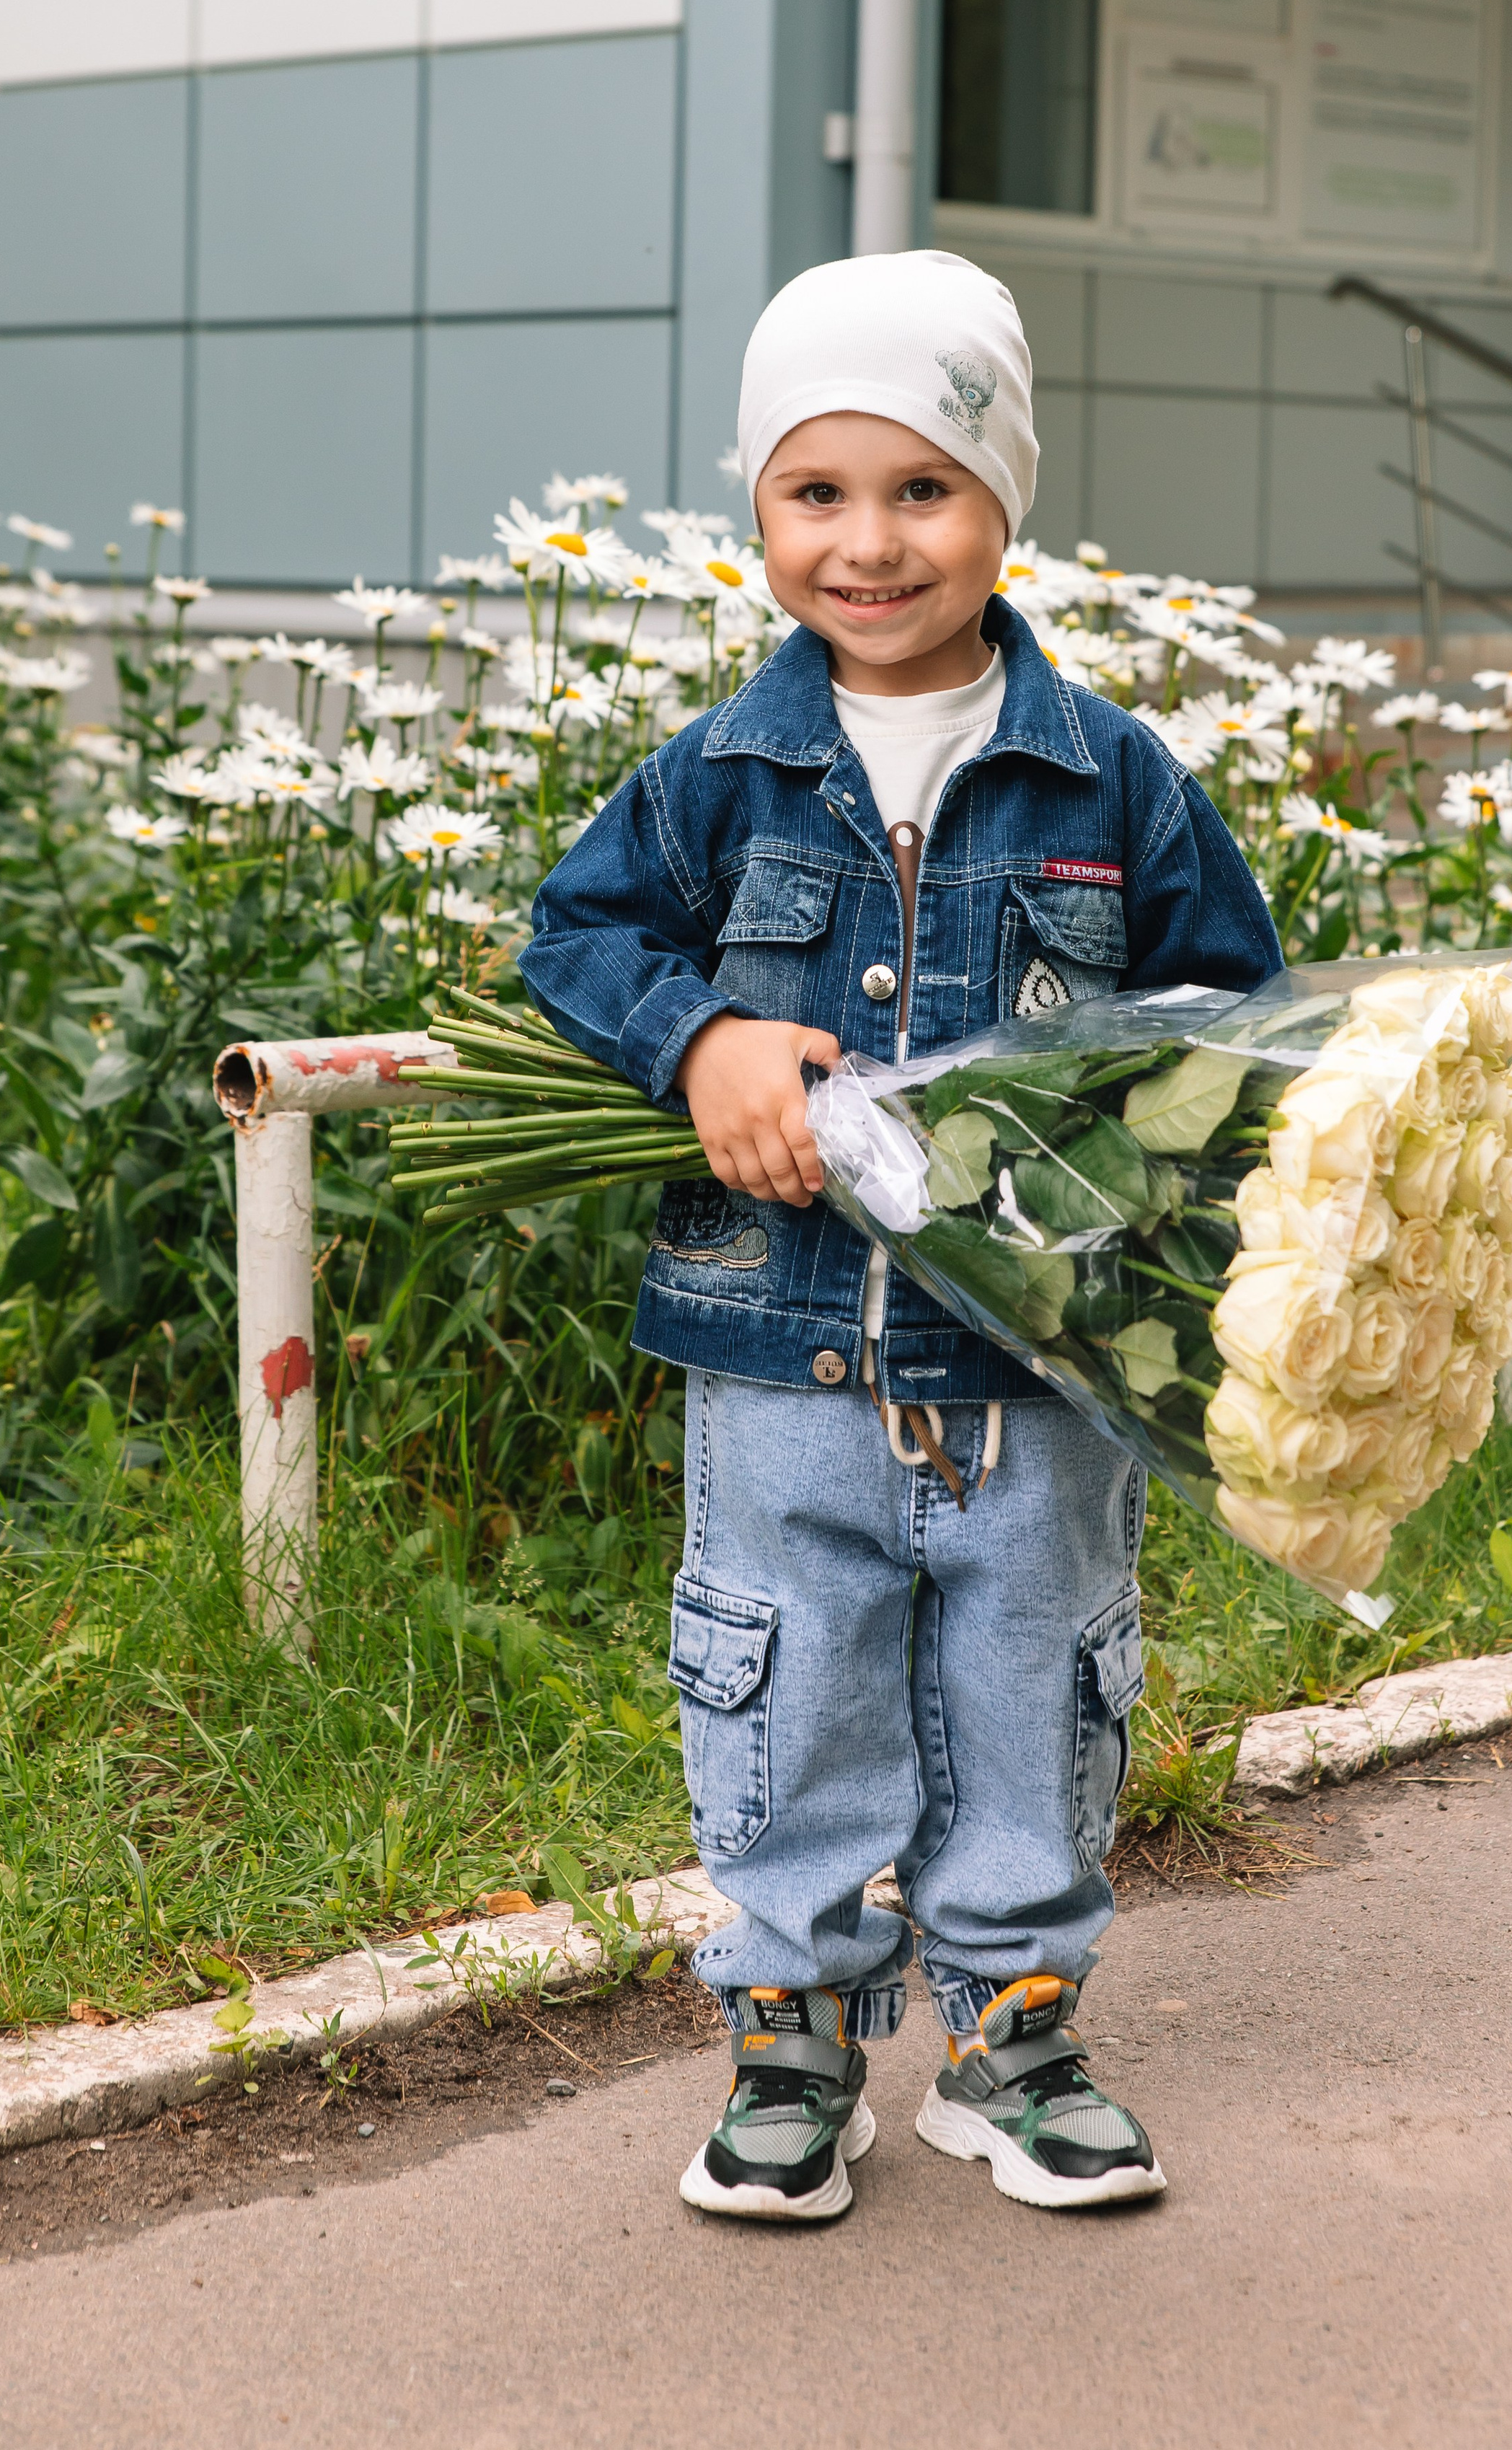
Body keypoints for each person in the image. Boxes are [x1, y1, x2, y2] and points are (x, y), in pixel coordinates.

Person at [519, 250, 1281, 2220]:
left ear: (1007, 500)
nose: (869, 545)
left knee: (1036, 1684)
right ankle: (793, 2046)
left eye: (923, 488)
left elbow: (1233, 1012)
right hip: (780, 1355)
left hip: (1042, 1371)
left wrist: (1129, 1120)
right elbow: (576, 938)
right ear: (759, 511)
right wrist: (697, 1042)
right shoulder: (718, 773)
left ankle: (1013, 2036)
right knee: (786, 1685)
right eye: (816, 493)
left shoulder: (1110, 777)